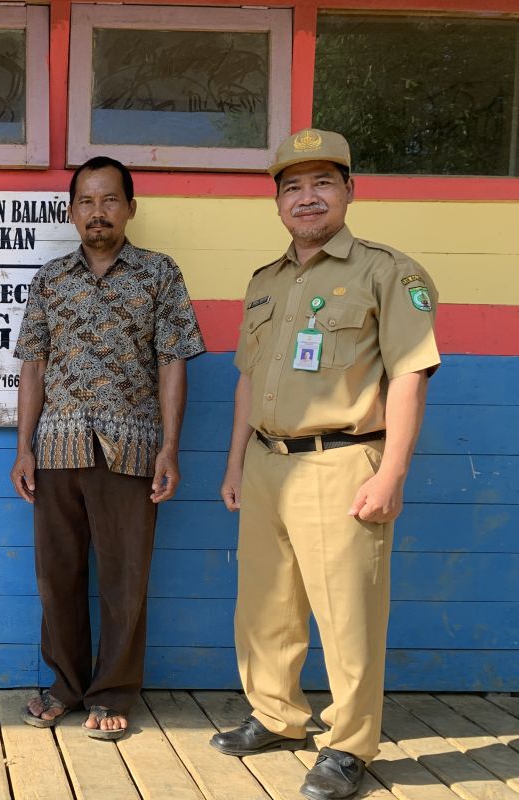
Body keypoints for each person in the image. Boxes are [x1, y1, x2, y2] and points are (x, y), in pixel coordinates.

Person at [210, 129, 440, 800]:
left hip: (343, 462)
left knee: (348, 615)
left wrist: (391, 472)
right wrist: (233, 465)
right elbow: (248, 381)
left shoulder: (387, 272)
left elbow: (410, 375)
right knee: (265, 606)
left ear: (349, 191)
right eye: (292, 187)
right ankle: (278, 716)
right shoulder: (265, 282)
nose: (306, 198)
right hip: (265, 462)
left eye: (321, 183)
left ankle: (349, 746)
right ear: (277, 202)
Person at [11, 156, 205, 739]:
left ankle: (113, 690)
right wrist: (24, 448)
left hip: (131, 448)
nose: (98, 212)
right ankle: (67, 685)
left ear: (130, 208)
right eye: (87, 202)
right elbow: (32, 366)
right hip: (58, 450)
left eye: (110, 200)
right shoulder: (50, 279)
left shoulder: (158, 274)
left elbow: (173, 361)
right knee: (57, 576)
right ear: (72, 211)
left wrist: (170, 448)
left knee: (126, 578)